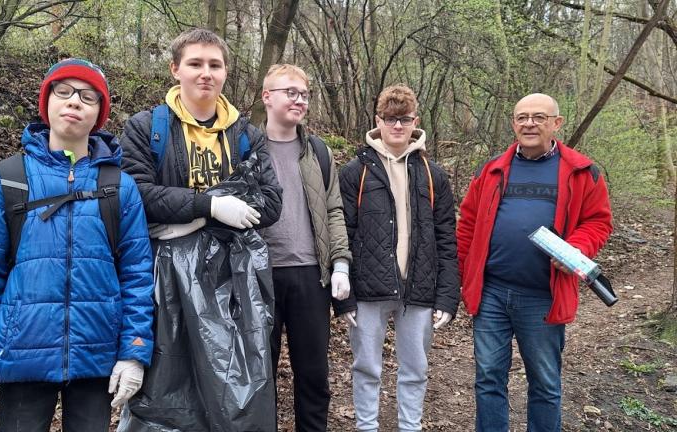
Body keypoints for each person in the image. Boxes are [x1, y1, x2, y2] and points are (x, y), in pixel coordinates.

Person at [0, 58, 155, 431]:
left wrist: (134, 352)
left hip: (97, 361)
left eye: (87, 97)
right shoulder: (9, 179)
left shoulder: (120, 187)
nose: (74, 102)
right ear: (46, 103)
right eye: (63, 92)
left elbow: (138, 277)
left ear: (100, 114)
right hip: (19, 359)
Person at [456, 93, 613, 432]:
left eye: (539, 117)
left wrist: (575, 248)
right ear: (513, 123)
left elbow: (599, 222)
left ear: (556, 124)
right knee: (487, 378)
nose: (529, 123)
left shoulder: (581, 171)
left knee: (544, 383)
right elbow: (468, 222)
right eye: (522, 117)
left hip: (543, 295)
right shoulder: (493, 169)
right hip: (492, 293)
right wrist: (464, 272)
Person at [334, 84, 460, 432]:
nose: (397, 126)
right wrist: (343, 299)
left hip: (418, 289)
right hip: (368, 289)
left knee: (416, 368)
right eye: (390, 119)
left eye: (404, 119)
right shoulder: (353, 173)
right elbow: (341, 233)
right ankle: (366, 426)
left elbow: (446, 238)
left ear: (415, 121)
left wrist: (448, 296)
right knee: (366, 367)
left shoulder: (433, 175)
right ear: (379, 120)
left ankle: (410, 426)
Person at [259, 64, 351, 431]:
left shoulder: (318, 151)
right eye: (290, 92)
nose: (299, 100)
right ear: (267, 96)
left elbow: (333, 209)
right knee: (258, 375)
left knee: (313, 374)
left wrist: (341, 262)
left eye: (304, 94)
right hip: (258, 275)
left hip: (312, 275)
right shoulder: (245, 147)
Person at [119, 28, 282, 235]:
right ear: (175, 69)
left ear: (225, 72)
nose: (206, 74)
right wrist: (211, 207)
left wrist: (203, 219)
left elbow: (271, 202)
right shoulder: (146, 127)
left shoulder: (247, 135)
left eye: (215, 65)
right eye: (195, 64)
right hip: (163, 261)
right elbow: (134, 193)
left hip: (233, 263)